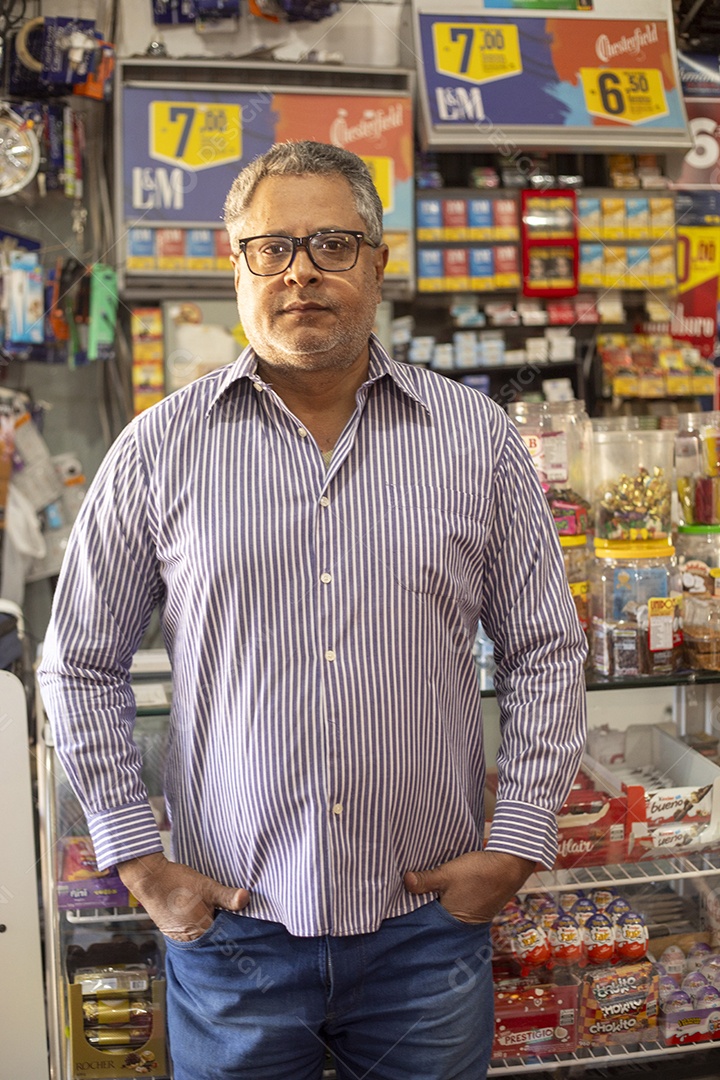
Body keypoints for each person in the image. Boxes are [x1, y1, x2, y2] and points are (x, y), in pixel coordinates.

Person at [38, 140, 587, 1080]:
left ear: (378, 262)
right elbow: (79, 663)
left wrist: (517, 844)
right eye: (271, 247)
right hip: (233, 933)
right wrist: (140, 863)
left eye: (334, 244)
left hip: (426, 930)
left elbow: (545, 649)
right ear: (236, 264)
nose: (301, 271)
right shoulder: (156, 451)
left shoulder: (476, 441)